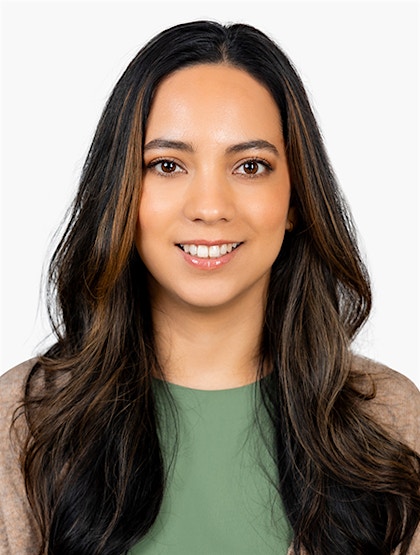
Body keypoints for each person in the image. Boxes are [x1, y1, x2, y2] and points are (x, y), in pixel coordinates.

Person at [0, 19, 419, 555]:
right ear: (121, 191)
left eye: (250, 166)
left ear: (295, 199)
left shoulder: (389, 420)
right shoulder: (23, 422)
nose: (210, 208)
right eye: (167, 165)